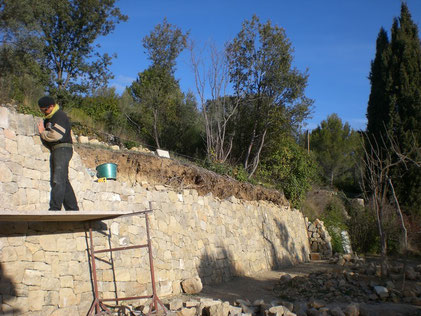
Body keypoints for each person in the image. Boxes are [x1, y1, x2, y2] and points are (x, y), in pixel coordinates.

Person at [37, 96, 79, 211]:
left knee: (58, 180)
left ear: (51, 106)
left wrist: (42, 133)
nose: (43, 112)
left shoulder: (59, 115)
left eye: (44, 110)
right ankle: (73, 209)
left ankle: (54, 209)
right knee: (63, 180)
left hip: (63, 148)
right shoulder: (48, 119)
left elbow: (56, 135)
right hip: (56, 149)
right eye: (41, 110)